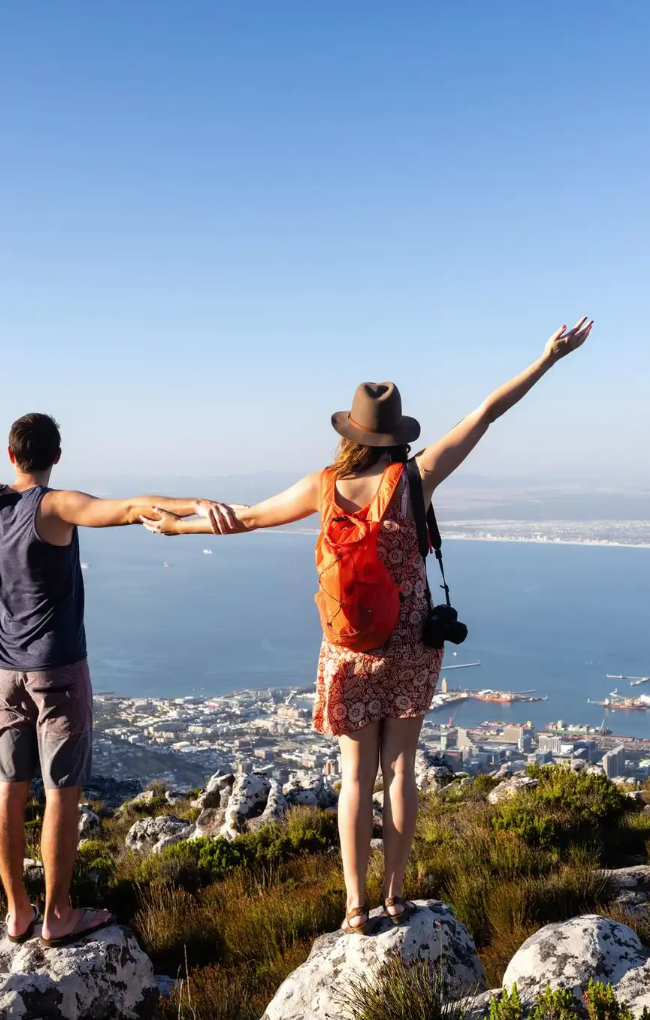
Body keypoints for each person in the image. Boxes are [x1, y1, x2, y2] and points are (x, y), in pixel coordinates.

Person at [141, 317, 592, 933]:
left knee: (355, 777)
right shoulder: (414, 480)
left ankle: (354, 907)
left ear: (351, 433)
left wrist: (174, 525)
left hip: (346, 649)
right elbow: (486, 413)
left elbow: (242, 520)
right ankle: (396, 895)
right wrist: (547, 359)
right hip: (410, 646)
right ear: (396, 436)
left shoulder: (320, 488)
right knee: (401, 770)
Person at [0, 369, 240, 947]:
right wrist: (199, 507)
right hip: (57, 670)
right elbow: (132, 507)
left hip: (2, 673)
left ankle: (17, 912)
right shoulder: (55, 506)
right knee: (62, 792)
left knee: (9, 789)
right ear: (57, 455)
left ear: (10, 455)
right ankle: (57, 916)